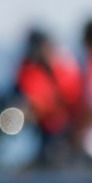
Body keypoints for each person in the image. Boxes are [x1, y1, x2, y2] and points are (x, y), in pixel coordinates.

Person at [11, 27, 87, 166]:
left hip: (69, 126)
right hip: (44, 130)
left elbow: (72, 96)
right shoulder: (28, 69)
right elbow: (30, 99)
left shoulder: (63, 66)